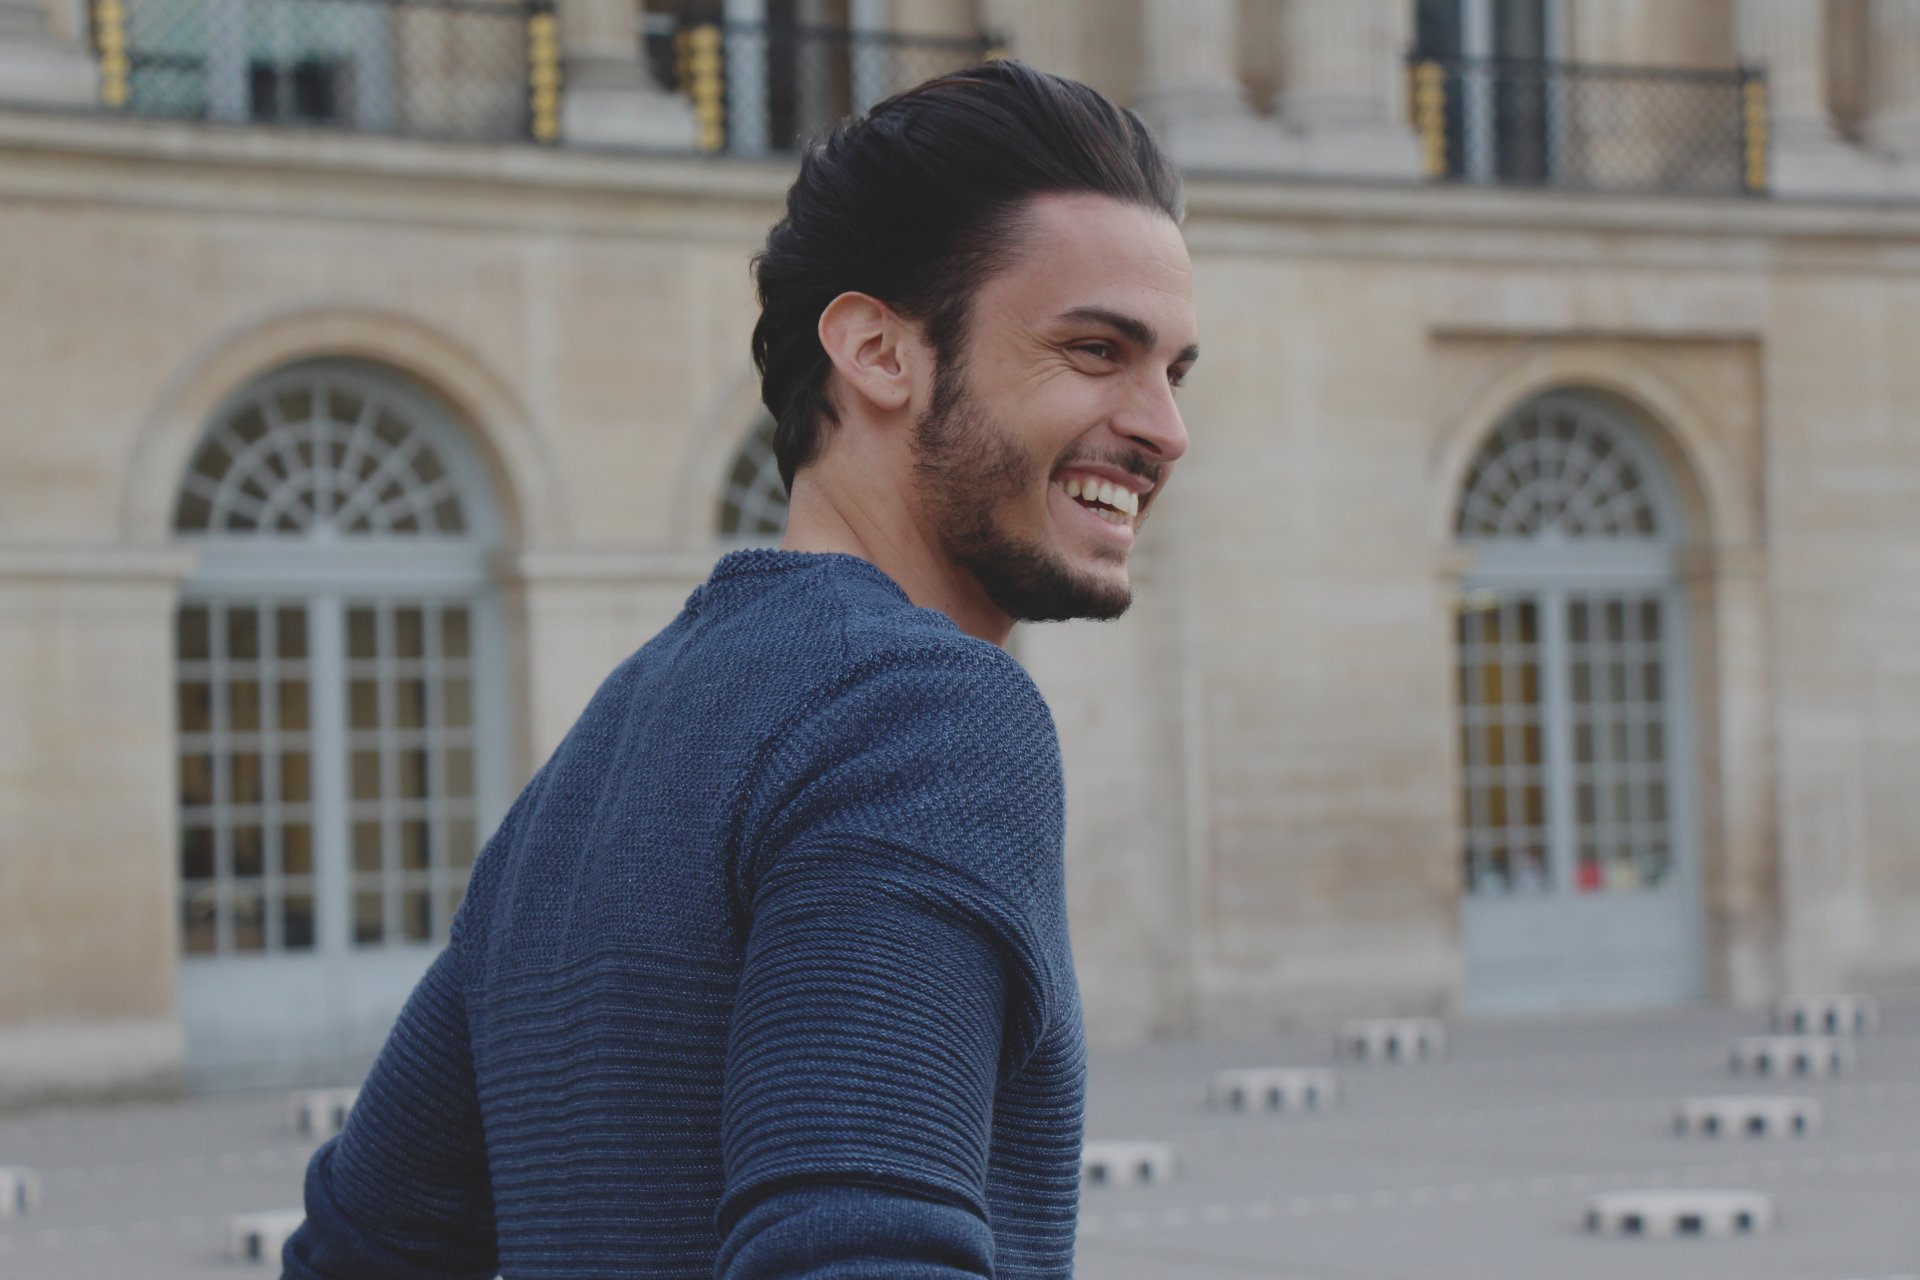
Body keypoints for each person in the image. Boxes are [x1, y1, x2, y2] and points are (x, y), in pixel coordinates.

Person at [283, 57, 1196, 1280]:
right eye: (1097, 350)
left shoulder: (601, 753)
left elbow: (360, 1249)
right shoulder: (926, 713)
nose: (1164, 427)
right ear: (879, 351)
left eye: (1175, 372)